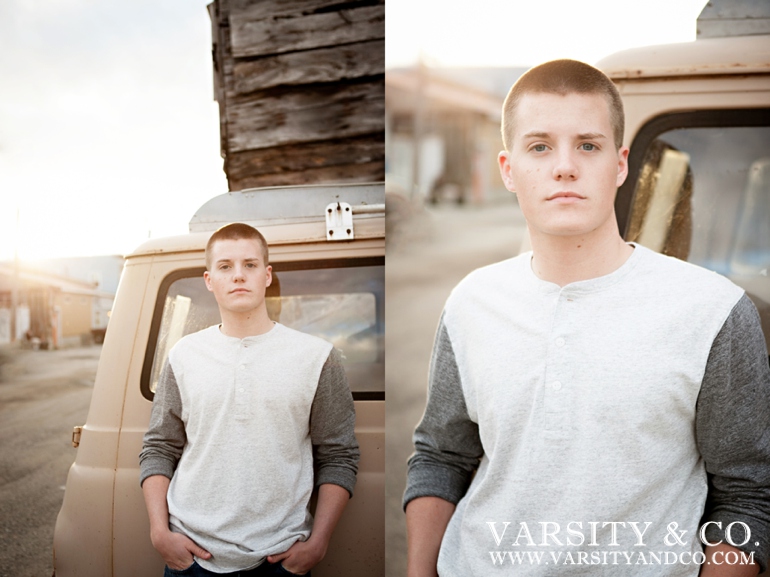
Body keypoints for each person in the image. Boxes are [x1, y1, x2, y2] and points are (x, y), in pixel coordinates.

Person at [403, 59, 770, 576]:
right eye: (540, 147)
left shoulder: (713, 311)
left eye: (588, 146)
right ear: (509, 170)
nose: (564, 167)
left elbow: (748, 492)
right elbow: (440, 457)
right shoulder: (470, 302)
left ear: (620, 165)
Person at [140, 222, 359, 576]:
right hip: (192, 556)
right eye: (225, 267)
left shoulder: (317, 356)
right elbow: (159, 447)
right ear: (209, 280)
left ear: (267, 276)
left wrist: (319, 542)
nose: (238, 276)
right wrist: (158, 533)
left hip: (279, 557)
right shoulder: (184, 355)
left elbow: (339, 455)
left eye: (250, 265)